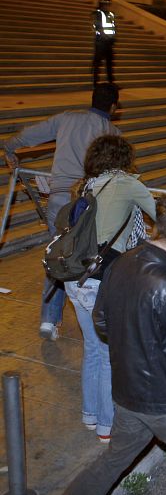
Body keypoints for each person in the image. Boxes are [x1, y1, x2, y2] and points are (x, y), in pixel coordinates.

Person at [56, 192, 166, 495]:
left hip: (127, 395)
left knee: (112, 461)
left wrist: (139, 341)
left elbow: (100, 320)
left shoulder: (122, 261)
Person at [2, 83, 121, 341]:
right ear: (113, 107)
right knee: (91, 257)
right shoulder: (110, 132)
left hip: (59, 199)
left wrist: (10, 147)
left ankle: (48, 319)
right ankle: (95, 316)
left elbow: (32, 134)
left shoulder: (67, 118)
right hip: (89, 204)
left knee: (58, 254)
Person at [65, 135, 156, 443]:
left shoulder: (84, 185)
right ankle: (107, 427)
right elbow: (161, 216)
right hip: (102, 277)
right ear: (124, 158)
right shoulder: (127, 184)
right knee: (107, 354)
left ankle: (90, 416)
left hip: (74, 278)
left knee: (91, 349)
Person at [92, 0, 116, 86]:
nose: (107, 6)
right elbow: (97, 27)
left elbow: (113, 27)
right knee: (98, 63)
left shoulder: (111, 14)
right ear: (101, 4)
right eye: (105, 4)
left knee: (110, 64)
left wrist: (113, 38)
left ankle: (111, 82)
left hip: (109, 43)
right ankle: (95, 82)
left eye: (108, 4)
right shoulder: (98, 14)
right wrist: (104, 37)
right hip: (101, 42)